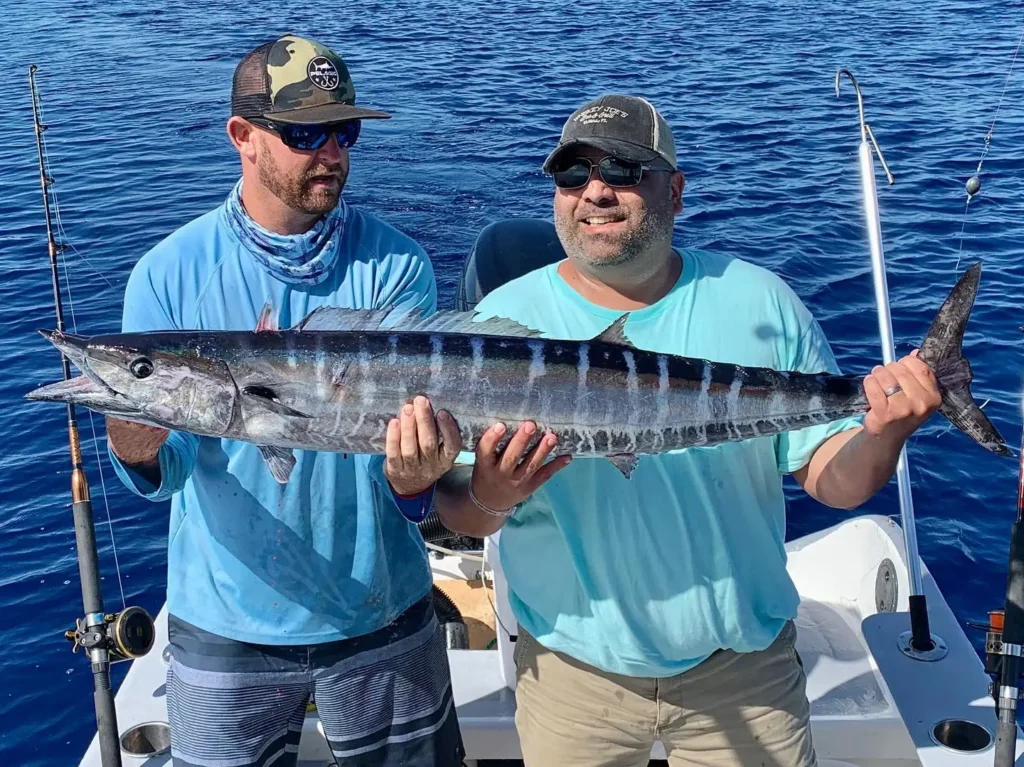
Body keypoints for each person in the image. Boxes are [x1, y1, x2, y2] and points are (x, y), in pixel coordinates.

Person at [431, 94, 944, 767]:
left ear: (673, 189)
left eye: (623, 172)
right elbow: (462, 510)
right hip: (571, 675)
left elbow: (831, 478)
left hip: (744, 673)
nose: (596, 193)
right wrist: (495, 493)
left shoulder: (760, 302)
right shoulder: (500, 320)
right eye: (572, 176)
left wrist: (885, 431)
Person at [106, 34, 465, 767]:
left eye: (345, 131)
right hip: (227, 624)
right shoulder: (167, 274)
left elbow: (407, 479)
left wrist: (414, 481)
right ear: (242, 136)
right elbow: (166, 472)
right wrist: (131, 443)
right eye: (305, 133)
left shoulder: (396, 263)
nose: (331, 151)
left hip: (381, 609)